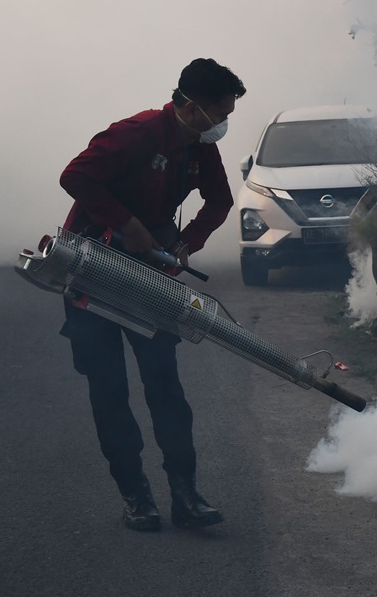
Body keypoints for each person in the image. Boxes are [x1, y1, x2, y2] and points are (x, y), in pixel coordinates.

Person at [58, 57, 245, 532]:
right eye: (218, 113)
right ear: (189, 105)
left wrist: (184, 246)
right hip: (93, 267)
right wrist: (126, 223)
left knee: (166, 387)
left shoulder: (200, 148)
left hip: (150, 274)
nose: (222, 124)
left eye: (227, 115)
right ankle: (136, 496)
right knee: (110, 392)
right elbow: (74, 177)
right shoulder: (135, 133)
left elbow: (220, 201)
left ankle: (185, 493)